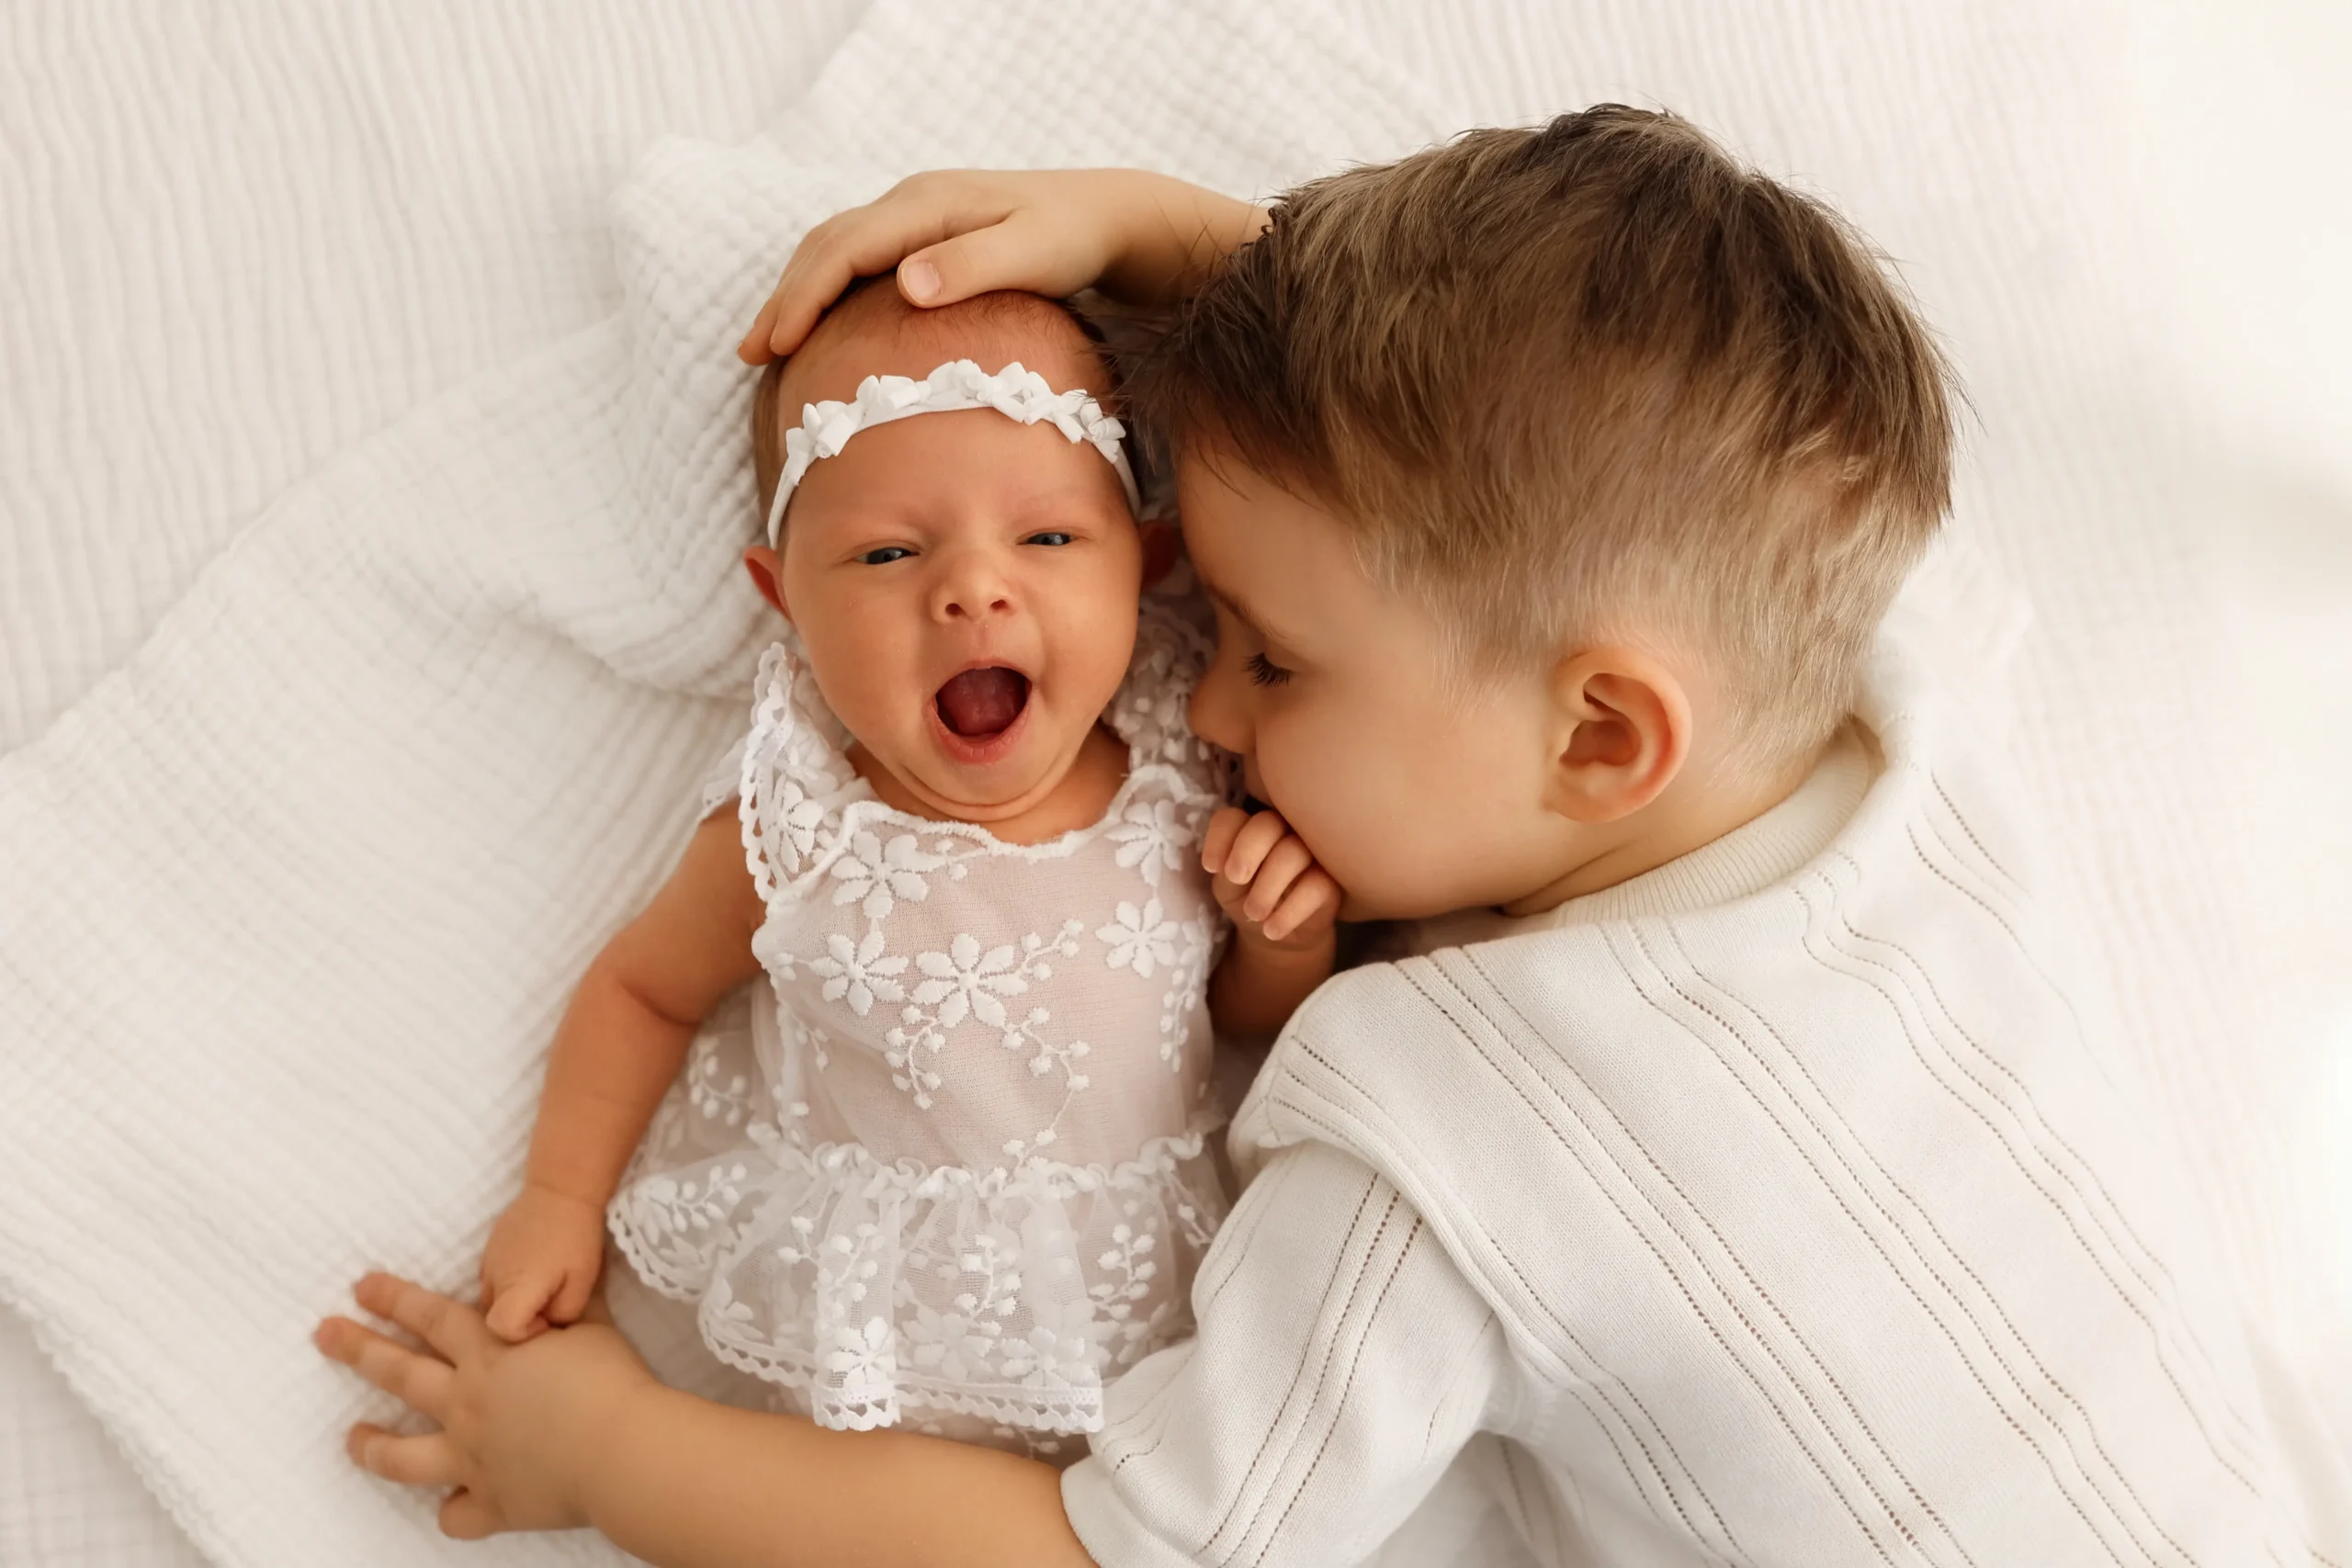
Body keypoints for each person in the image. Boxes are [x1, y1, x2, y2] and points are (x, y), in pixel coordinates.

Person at [315, 110, 2346, 1565]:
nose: (1203, 709)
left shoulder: (1439, 1147)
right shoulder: (1896, 721)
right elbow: (1676, 462)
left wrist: (611, 1453)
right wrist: (1183, 250)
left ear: (1601, 732)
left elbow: (1124, 1541)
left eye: (1272, 658)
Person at [468, 276, 1340, 1455]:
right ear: (785, 598)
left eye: (1047, 537)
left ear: (1144, 565)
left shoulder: (1183, 772)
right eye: (886, 552)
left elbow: (1227, 1020)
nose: (973, 589)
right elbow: (643, 989)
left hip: (1162, 1318)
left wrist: (1286, 943)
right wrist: (559, 1198)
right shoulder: (804, 829)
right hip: (888, 1366)